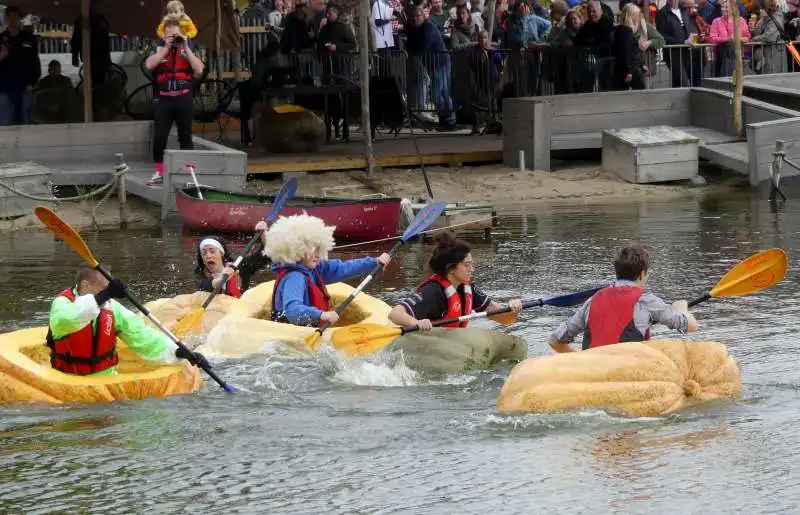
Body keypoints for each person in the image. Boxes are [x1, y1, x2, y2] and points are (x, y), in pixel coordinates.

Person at [47, 266, 207, 376]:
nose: (108, 294)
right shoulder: (61, 304)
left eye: (109, 290)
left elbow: (141, 335)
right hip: (68, 378)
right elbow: (69, 319)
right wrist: (103, 295)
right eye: (104, 289)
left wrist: (177, 351)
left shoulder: (111, 308)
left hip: (106, 378)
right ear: (85, 285)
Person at [548, 244, 698, 353]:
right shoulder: (646, 301)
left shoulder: (592, 300)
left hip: (594, 373)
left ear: (617, 272)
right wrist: (681, 308)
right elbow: (691, 326)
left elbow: (554, 341)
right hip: (629, 374)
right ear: (641, 274)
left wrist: (581, 359)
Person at [264, 213, 392, 327]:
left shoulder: (315, 269)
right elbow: (292, 311)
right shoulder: (294, 277)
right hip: (291, 335)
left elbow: (344, 268)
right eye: (313, 249)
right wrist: (321, 315)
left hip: (308, 329)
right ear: (296, 249)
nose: (318, 254)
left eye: (319, 249)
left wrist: (374, 262)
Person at [388, 232, 523, 330]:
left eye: (472, 264)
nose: (472, 269)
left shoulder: (468, 289)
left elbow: (505, 319)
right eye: (467, 264)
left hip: (452, 346)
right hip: (429, 347)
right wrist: (417, 323)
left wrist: (513, 309)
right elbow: (395, 314)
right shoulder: (433, 291)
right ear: (451, 268)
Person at [144, 17, 205, 185]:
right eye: (170, 35)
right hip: (164, 98)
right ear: (164, 36)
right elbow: (148, 65)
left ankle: (189, 172)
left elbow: (199, 69)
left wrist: (185, 46)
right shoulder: (159, 49)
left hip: (183, 97)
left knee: (185, 135)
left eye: (176, 35)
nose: (174, 38)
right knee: (159, 136)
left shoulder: (188, 48)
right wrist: (165, 49)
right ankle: (160, 171)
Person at [195, 222, 271, 296]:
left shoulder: (239, 266)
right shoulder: (200, 275)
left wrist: (264, 234)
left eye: (212, 251)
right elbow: (206, 286)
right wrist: (222, 278)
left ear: (221, 253)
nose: (208, 255)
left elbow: (267, 253)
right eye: (204, 253)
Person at [0, 5, 40, 125]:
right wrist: (2, 55)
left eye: (15, 16)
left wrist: (33, 82)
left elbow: (34, 62)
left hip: (25, 85)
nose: (12, 20)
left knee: (24, 120)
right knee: (5, 121)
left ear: (19, 18)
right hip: (4, 87)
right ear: (6, 18)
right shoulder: (1, 38)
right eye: (9, 17)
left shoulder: (29, 38)